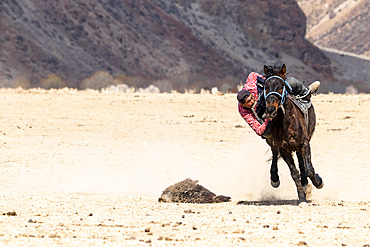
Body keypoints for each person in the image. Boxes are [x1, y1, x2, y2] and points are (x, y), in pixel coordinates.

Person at [237, 71, 320, 138]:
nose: (252, 101)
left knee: (291, 81)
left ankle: (306, 92)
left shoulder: (251, 87)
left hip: (270, 94)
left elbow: (252, 75)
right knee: (266, 134)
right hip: (263, 113)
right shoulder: (244, 111)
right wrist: (268, 120)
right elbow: (258, 130)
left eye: (252, 98)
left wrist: (267, 80)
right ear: (243, 104)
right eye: (248, 102)